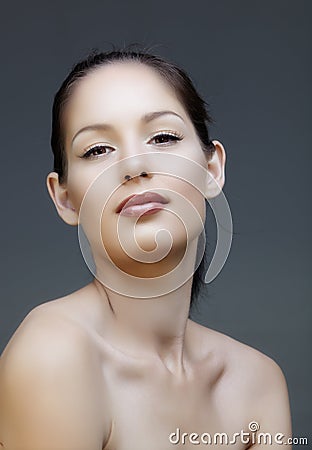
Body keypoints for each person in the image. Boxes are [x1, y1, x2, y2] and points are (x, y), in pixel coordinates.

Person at [0, 49, 292, 450]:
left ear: (212, 170)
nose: (134, 165)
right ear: (65, 198)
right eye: (97, 149)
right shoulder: (55, 355)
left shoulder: (258, 382)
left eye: (163, 137)